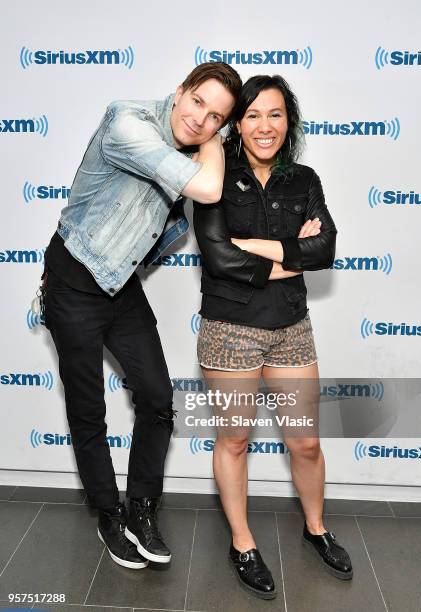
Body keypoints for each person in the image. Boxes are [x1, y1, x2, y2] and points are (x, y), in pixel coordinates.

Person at [41, 62, 242, 570]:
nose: (201, 120)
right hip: (74, 280)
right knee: (88, 410)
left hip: (120, 283)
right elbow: (207, 189)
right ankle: (108, 514)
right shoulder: (126, 121)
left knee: (156, 399)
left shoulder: (190, 141)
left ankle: (141, 509)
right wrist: (216, 142)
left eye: (216, 116)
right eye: (199, 102)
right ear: (179, 91)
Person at [193, 74, 352, 599]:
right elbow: (219, 258)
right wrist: (290, 251)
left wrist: (255, 246)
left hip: (290, 328)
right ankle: (242, 542)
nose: (265, 126)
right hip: (229, 329)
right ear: (238, 123)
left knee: (305, 441)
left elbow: (325, 250)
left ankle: (316, 530)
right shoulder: (215, 173)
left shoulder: (303, 179)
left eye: (276, 114)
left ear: (290, 120)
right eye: (254, 115)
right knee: (235, 441)